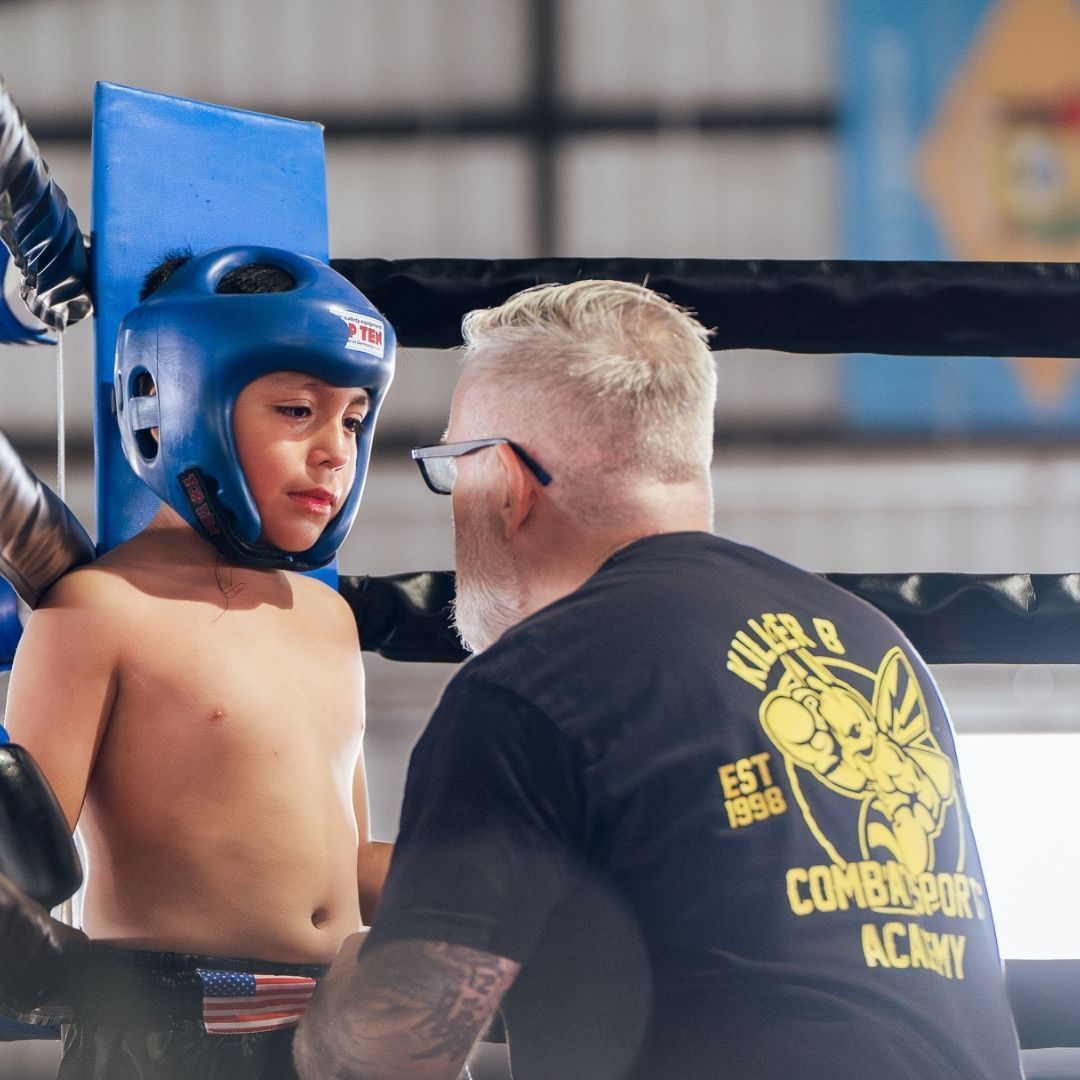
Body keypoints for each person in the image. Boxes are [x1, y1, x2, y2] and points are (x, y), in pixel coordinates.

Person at [292, 279, 1025, 1080]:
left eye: (453, 467)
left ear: (506, 481)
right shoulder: (868, 645)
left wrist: (340, 999)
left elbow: (392, 1054)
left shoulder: (535, 681)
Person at [0, 244, 396, 1079]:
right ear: (180, 398)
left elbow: (350, 865)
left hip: (336, 1032)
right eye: (297, 410)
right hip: (168, 1037)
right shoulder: (101, 612)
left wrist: (512, 871)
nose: (335, 449)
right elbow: (23, 862)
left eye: (354, 419)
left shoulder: (325, 616)